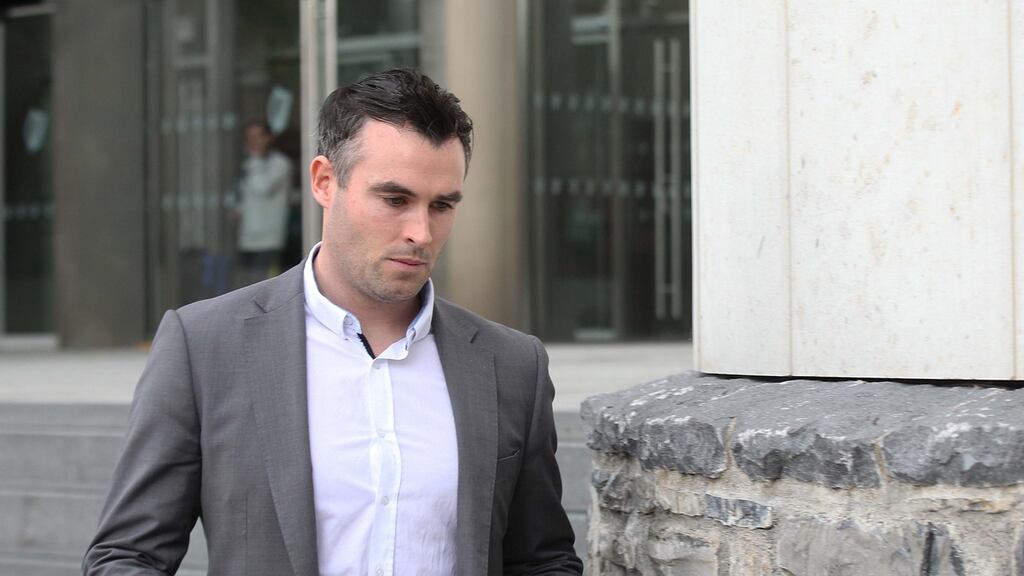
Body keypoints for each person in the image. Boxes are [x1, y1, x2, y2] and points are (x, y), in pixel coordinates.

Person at [83, 68, 583, 576]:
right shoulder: (204, 347)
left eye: (442, 205)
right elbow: (127, 557)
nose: (420, 232)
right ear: (325, 181)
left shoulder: (512, 364)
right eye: (395, 199)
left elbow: (541, 559)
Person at [235, 121, 293, 286]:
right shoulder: (249, 164)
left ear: (268, 138)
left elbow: (263, 188)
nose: (253, 142)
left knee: (265, 286)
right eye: (250, 138)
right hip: (247, 238)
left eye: (257, 137)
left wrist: (255, 159)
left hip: (269, 239)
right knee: (246, 286)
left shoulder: (280, 163)